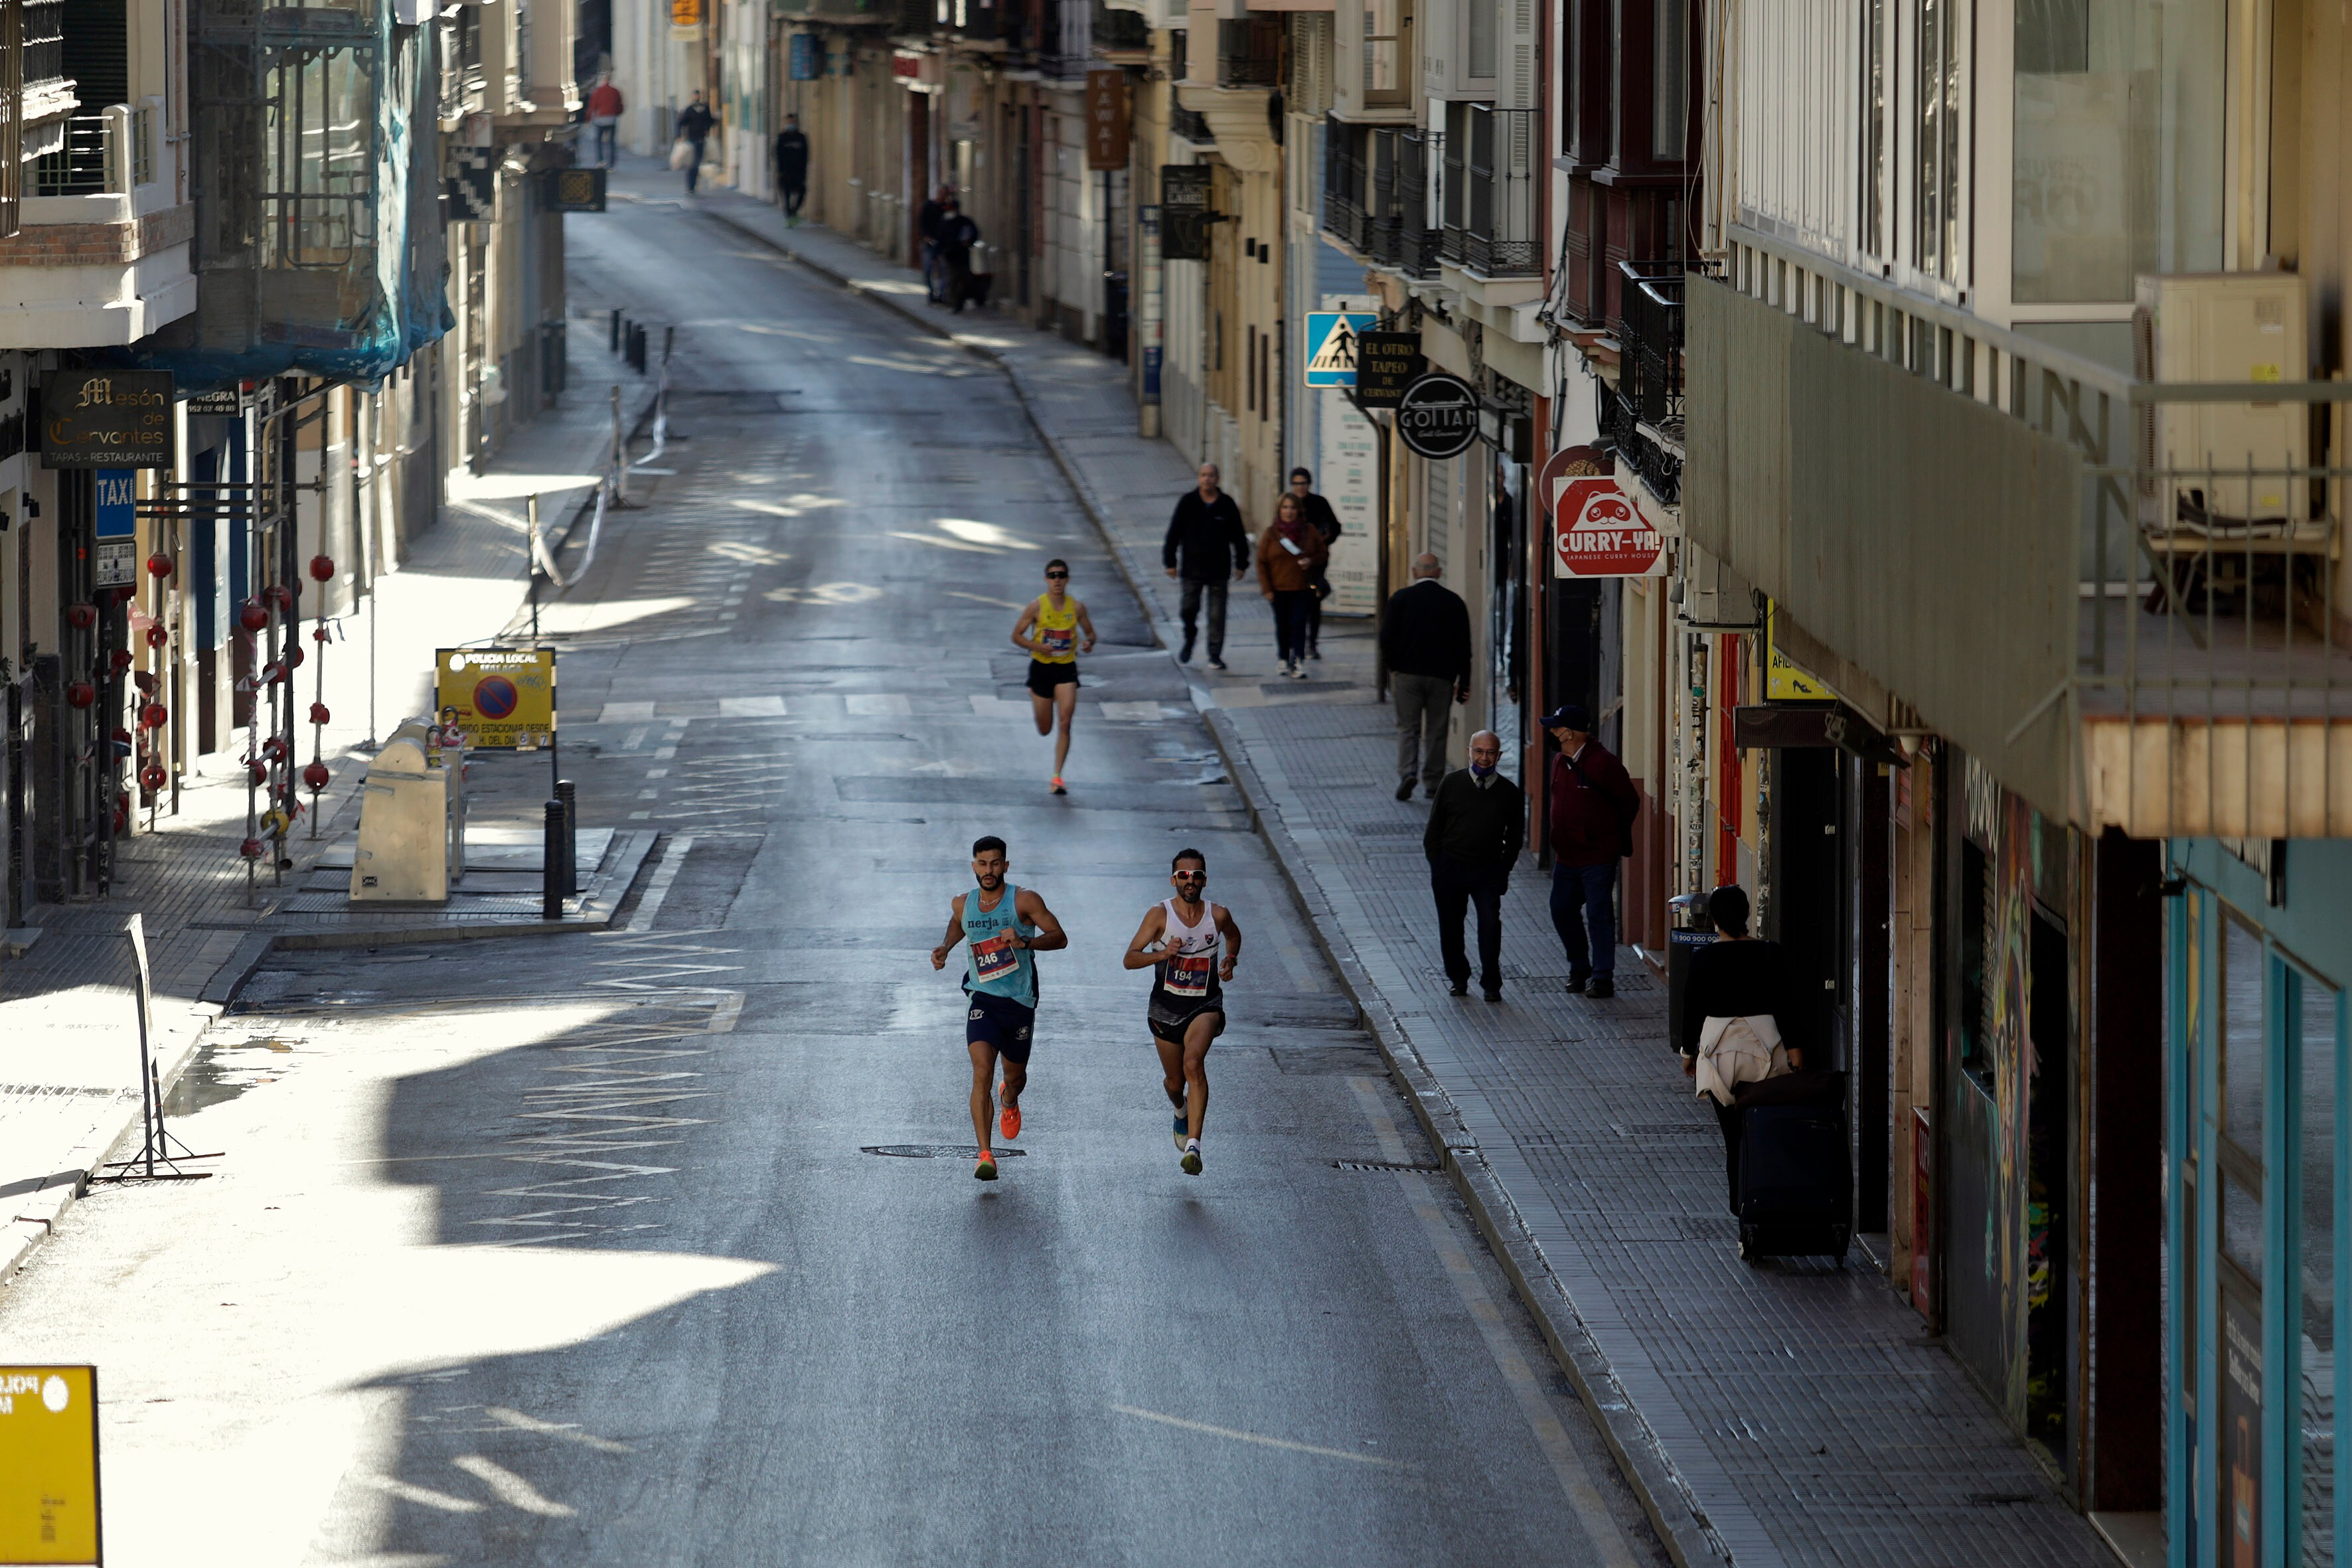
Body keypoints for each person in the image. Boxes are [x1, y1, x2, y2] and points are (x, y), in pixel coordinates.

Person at [931, 836, 1069, 1181]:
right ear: (973, 866)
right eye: (982, 864)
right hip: (983, 998)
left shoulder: (1024, 900)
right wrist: (946, 948)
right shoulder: (963, 903)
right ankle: (985, 1154)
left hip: (1019, 1001)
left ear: (1005, 865)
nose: (988, 870)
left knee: (1014, 1077)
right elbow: (957, 923)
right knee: (981, 1072)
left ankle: (1010, 1098)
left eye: (995, 864)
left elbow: (1060, 936)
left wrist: (1025, 942)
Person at [1678, 884, 1803, 1212]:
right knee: (1764, 1133)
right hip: (1768, 1055)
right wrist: (1795, 1049)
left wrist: (1688, 1054)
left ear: (1715, 921)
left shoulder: (1703, 959)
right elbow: (1786, 1004)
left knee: (1734, 1138)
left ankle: (1741, 1207)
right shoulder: (1769, 953)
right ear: (1747, 916)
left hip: (1720, 1059)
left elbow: (1691, 1011)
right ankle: (1768, 1202)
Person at [1121, 848, 1243, 1176]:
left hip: (1204, 1005)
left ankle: (1194, 1147)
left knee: (1194, 1063)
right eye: (1184, 875)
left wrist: (1230, 960)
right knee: (1175, 1083)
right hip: (1165, 1009)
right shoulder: (1159, 916)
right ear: (1174, 879)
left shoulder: (1217, 915)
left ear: (1205, 879)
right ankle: (1180, 1108)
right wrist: (1160, 956)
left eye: (1197, 875)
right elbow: (1130, 958)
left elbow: (1233, 936)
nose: (1191, 880)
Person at [1543, 702, 1640, 999]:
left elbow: (1629, 803)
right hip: (1566, 856)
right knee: (1561, 910)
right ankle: (1579, 967)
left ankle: (1602, 977)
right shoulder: (1560, 761)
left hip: (1597, 856)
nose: (1550, 731)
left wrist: (1605, 839)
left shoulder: (1605, 764)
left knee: (1599, 914)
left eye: (1555, 727)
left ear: (1568, 732)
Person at [1424, 730, 1524, 1002]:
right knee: (1451, 927)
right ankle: (1458, 978)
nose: (1484, 757)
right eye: (1479, 751)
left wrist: (1503, 869)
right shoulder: (1451, 783)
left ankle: (1491, 983)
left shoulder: (1509, 792)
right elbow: (1433, 831)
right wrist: (1438, 865)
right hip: (1450, 869)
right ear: (1469, 752)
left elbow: (1515, 838)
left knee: (1490, 924)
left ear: (1499, 756)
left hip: (1488, 870)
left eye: (1490, 752)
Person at [1380, 554, 1470, 801]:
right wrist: (1465, 682)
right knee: (1437, 730)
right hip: (1442, 676)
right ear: (1439, 573)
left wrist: (1394, 668)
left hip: (1407, 675)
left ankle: (1408, 772)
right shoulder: (1454, 602)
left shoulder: (1400, 600)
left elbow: (1386, 639)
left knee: (1408, 728)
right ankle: (1433, 782)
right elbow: (1464, 647)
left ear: (1414, 572)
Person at [1010, 558, 1095, 795]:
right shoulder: (1036, 607)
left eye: (1061, 575)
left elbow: (1090, 633)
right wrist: (1037, 647)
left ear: (1067, 579)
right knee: (1045, 728)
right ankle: (1036, 696)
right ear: (1046, 579)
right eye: (1052, 575)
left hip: (1066, 668)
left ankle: (1057, 777)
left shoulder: (1076, 608)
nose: (1057, 580)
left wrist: (1088, 643)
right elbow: (1016, 636)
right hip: (1041, 668)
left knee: (1066, 722)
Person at [1163, 463, 1250, 670]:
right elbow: (1174, 533)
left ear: (1217, 479)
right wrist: (1170, 562)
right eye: (1203, 475)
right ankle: (1190, 635)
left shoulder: (1226, 504)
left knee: (1216, 615)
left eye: (1211, 476)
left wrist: (1241, 563)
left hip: (1218, 569)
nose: (1207, 479)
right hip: (1192, 569)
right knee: (1188, 608)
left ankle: (1214, 653)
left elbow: (1239, 536)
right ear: (1198, 478)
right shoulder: (1188, 503)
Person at [1255, 493, 1329, 680]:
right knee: (1282, 625)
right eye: (1285, 508)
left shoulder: (1309, 531)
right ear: (1279, 510)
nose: (1289, 512)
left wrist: (1310, 561)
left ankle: (1298, 660)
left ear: (1299, 511)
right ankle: (1282, 658)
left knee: (1298, 624)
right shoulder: (1271, 534)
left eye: (1293, 508)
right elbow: (1262, 562)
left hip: (1302, 588)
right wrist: (1267, 589)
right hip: (1278, 589)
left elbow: (1323, 554)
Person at [1287, 468, 1342, 659]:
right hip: (1293, 563)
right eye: (1297, 484)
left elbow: (1335, 527)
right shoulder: (1288, 505)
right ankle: (1295, 642)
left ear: (1309, 484)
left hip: (1316, 563)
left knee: (1314, 602)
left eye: (1303, 483)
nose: (1300, 487)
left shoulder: (1319, 503)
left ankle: (1312, 643)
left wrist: (1323, 542)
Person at [937, 201, 982, 313]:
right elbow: (939, 238)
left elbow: (974, 233)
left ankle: (961, 302)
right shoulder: (944, 222)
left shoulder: (964, 221)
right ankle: (954, 303)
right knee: (952, 280)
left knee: (965, 279)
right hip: (948, 256)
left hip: (962, 256)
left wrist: (969, 242)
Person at [917, 185, 953, 302]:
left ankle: (942, 294)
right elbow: (922, 222)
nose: (943, 196)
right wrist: (925, 236)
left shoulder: (947, 208)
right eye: (941, 193)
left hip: (942, 244)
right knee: (928, 269)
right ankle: (931, 292)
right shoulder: (929, 205)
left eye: (945, 194)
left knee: (944, 270)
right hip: (929, 243)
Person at [675, 94, 715, 195]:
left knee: (693, 163)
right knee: (696, 162)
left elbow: (681, 123)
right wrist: (707, 128)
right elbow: (710, 121)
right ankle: (693, 184)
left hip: (692, 138)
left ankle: (691, 185)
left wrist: (679, 135)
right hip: (700, 139)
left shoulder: (690, 109)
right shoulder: (705, 109)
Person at [774, 114, 809, 222]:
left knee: (802, 192)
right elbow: (777, 154)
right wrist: (780, 171)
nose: (791, 125)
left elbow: (806, 155)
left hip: (799, 172)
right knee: (786, 194)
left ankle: (794, 211)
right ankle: (789, 214)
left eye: (793, 122)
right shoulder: (782, 138)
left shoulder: (801, 137)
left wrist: (804, 171)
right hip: (786, 172)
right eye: (789, 123)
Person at [586, 76, 624, 169]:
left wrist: (588, 119)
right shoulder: (615, 91)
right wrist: (616, 113)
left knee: (598, 141)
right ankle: (611, 164)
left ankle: (600, 161)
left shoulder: (598, 92)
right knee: (611, 142)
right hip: (612, 119)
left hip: (600, 119)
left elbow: (592, 107)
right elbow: (620, 106)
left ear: (602, 81)